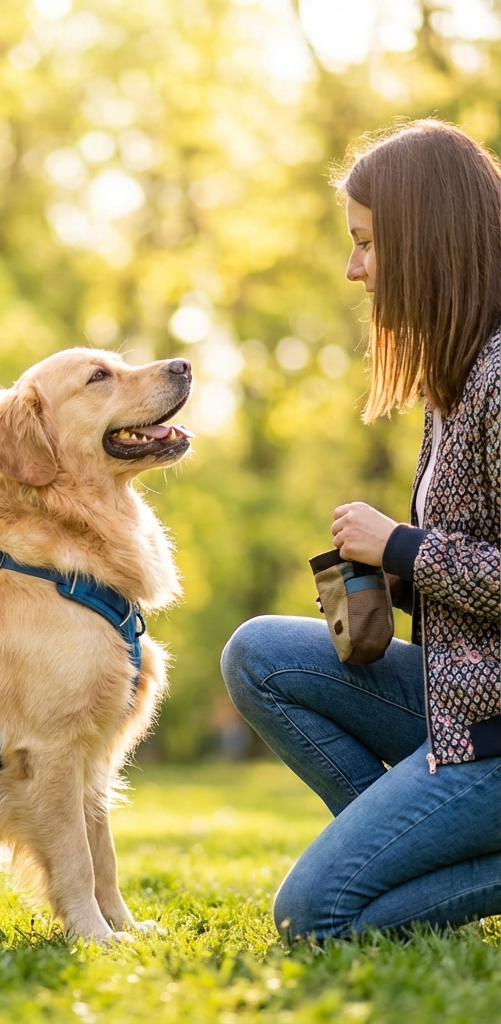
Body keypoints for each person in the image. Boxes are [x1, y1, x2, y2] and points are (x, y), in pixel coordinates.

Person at [221, 120, 500, 941]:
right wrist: (395, 579)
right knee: (259, 655)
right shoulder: (455, 380)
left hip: (488, 729)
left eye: (367, 243)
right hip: (462, 701)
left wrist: (402, 546)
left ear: (424, 240)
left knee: (315, 916)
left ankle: (387, 873)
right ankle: (406, 853)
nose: (354, 268)